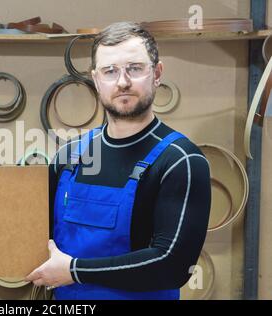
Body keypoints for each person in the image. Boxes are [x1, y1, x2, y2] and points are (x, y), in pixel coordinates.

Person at [26, 21, 211, 300]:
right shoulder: (68, 157)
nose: (122, 81)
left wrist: (74, 271)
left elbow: (172, 266)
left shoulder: (181, 161)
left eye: (135, 68)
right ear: (96, 79)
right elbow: (33, 237)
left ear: (157, 73)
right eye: (110, 71)